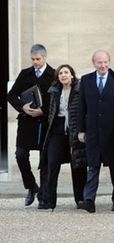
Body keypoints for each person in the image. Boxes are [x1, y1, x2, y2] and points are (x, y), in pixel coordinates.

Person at [77, 50, 114, 213]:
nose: (103, 65)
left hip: (113, 133)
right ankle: (89, 200)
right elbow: (81, 107)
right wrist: (80, 130)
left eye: (105, 61)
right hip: (93, 132)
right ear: (94, 63)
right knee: (92, 167)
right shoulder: (85, 80)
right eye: (99, 62)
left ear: (109, 62)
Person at [7, 44, 55, 206]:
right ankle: (32, 186)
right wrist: (22, 107)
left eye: (38, 59)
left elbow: (57, 99)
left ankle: (44, 197)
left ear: (45, 57)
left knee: (45, 160)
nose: (35, 62)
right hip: (26, 123)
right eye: (33, 59)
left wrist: (43, 111)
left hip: (45, 123)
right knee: (20, 155)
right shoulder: (24, 74)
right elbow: (11, 95)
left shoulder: (53, 75)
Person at [38, 64, 87, 210]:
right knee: (52, 165)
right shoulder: (54, 91)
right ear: (57, 77)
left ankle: (81, 199)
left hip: (74, 130)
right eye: (60, 73)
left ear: (72, 75)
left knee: (77, 166)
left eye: (66, 72)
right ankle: (49, 200)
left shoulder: (80, 89)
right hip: (57, 131)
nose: (63, 75)